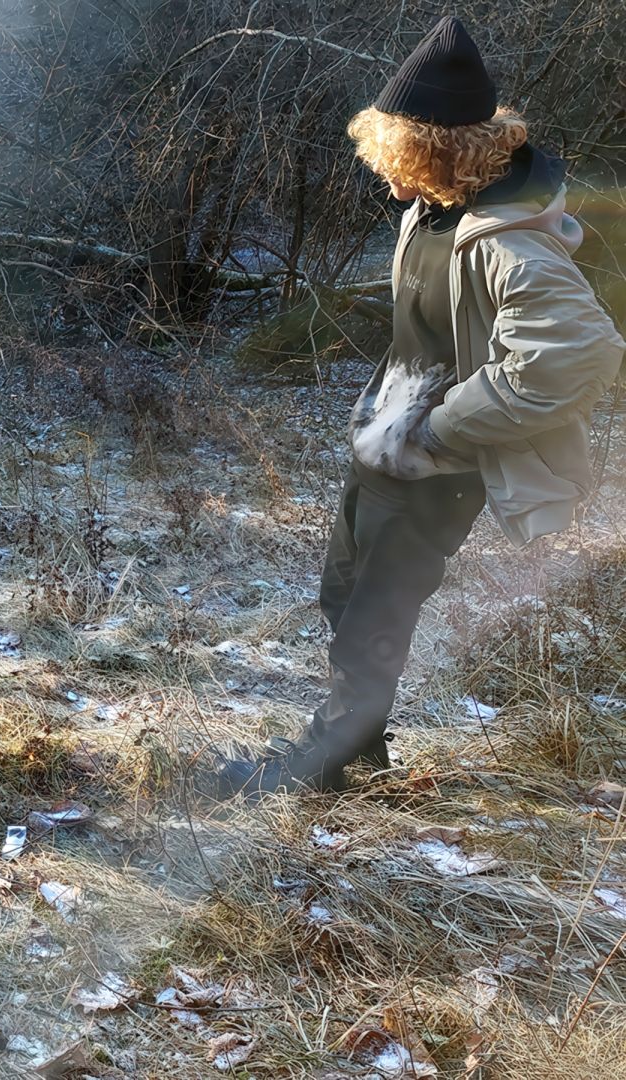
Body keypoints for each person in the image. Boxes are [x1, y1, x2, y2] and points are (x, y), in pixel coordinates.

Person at [213, 16, 624, 796]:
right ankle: (360, 749)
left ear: (437, 152)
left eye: (394, 156)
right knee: (343, 593)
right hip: (388, 443)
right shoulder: (436, 208)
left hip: (438, 465)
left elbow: (578, 354)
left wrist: (441, 427)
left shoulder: (508, 239)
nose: (383, 173)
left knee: (375, 616)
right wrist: (387, 416)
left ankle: (322, 766)